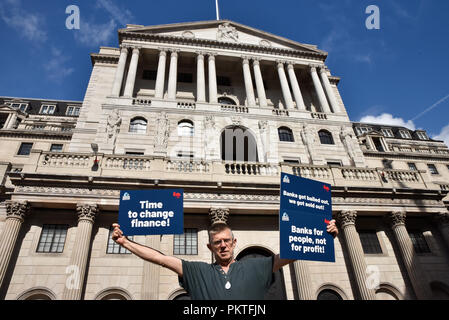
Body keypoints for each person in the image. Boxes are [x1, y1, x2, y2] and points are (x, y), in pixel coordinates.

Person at [111, 220, 338, 300]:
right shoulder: (196, 271)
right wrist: (125, 243)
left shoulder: (257, 266)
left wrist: (322, 234)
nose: (223, 245)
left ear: (234, 242)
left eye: (226, 241)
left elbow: (291, 254)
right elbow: (160, 259)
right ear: (210, 247)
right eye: (217, 242)